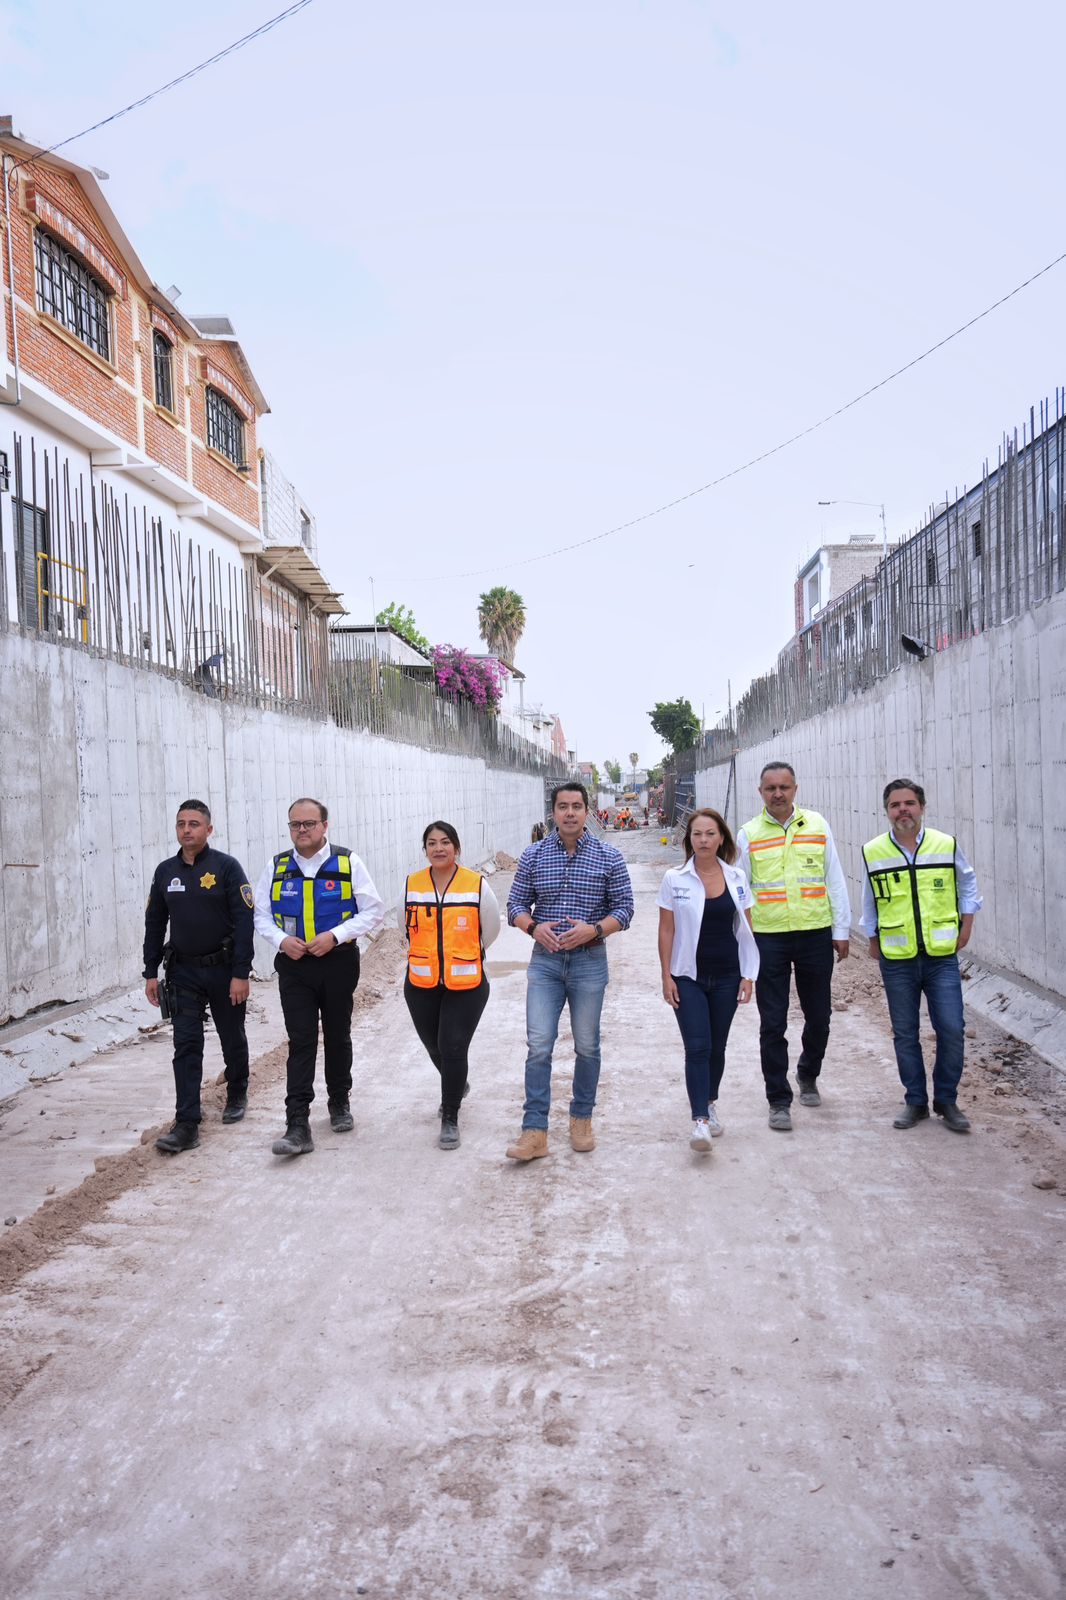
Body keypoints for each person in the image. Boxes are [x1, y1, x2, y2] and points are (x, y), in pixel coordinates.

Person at [505, 781, 634, 1160]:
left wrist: (594, 930)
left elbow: (625, 908)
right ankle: (534, 1131)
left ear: (587, 811)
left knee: (587, 1045)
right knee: (539, 1045)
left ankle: (581, 1119)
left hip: (589, 962)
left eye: (577, 806)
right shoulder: (533, 856)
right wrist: (533, 927)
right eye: (563, 806)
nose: (570, 813)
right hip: (545, 963)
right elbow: (515, 905)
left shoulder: (609, 856)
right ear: (553, 812)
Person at [253, 797, 385, 1157]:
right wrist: (281, 941)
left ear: (325, 825)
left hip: (338, 962)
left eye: (309, 823)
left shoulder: (347, 862)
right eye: (295, 824)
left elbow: (373, 911)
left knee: (338, 1034)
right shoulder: (277, 866)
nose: (302, 830)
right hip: (295, 966)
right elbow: (261, 914)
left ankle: (339, 1101)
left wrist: (336, 936)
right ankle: (297, 1123)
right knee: (301, 1040)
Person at [861, 779, 982, 1132]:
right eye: (895, 805)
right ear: (887, 811)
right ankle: (915, 1102)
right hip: (897, 958)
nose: (903, 810)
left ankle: (946, 1100)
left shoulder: (945, 844)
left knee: (952, 1029)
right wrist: (872, 938)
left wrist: (967, 924)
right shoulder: (874, 851)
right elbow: (869, 898)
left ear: (922, 807)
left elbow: (968, 882)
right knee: (905, 1033)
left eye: (909, 803)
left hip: (940, 957)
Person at [738, 762, 851, 1132]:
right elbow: (742, 892)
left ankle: (808, 1073)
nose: (777, 794)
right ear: (760, 792)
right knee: (773, 1022)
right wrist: (744, 943)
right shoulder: (749, 834)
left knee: (819, 1017)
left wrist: (841, 928)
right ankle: (778, 1100)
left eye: (784, 787)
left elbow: (834, 878)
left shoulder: (817, 826)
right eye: (770, 788)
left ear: (795, 789)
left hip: (815, 933)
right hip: (769, 938)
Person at [143, 799, 254, 1154]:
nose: (186, 830)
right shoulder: (165, 872)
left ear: (209, 829)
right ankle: (187, 1123)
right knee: (186, 1044)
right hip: (183, 973)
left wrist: (241, 973)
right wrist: (150, 971)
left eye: (194, 824)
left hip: (224, 971)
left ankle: (237, 1089)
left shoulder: (226, 867)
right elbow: (154, 923)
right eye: (181, 824)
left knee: (231, 1035)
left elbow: (245, 922)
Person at [658, 809, 759, 1151]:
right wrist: (666, 975)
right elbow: (666, 930)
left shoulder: (737, 877)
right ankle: (699, 1120)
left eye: (710, 834)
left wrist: (748, 975)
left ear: (721, 838)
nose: (703, 840)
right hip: (688, 976)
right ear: (689, 839)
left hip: (728, 975)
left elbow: (746, 928)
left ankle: (710, 1102)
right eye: (697, 834)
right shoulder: (674, 878)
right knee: (697, 1047)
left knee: (718, 1047)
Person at [400, 821, 501, 1149]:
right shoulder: (412, 884)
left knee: (453, 1046)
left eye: (445, 842)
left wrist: (464, 954)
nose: (439, 848)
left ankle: (450, 1115)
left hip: (467, 982)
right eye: (432, 843)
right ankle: (457, 1083)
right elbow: (406, 927)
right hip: (421, 982)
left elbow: (491, 929)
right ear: (425, 850)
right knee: (435, 1047)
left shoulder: (476, 884)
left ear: (456, 848)